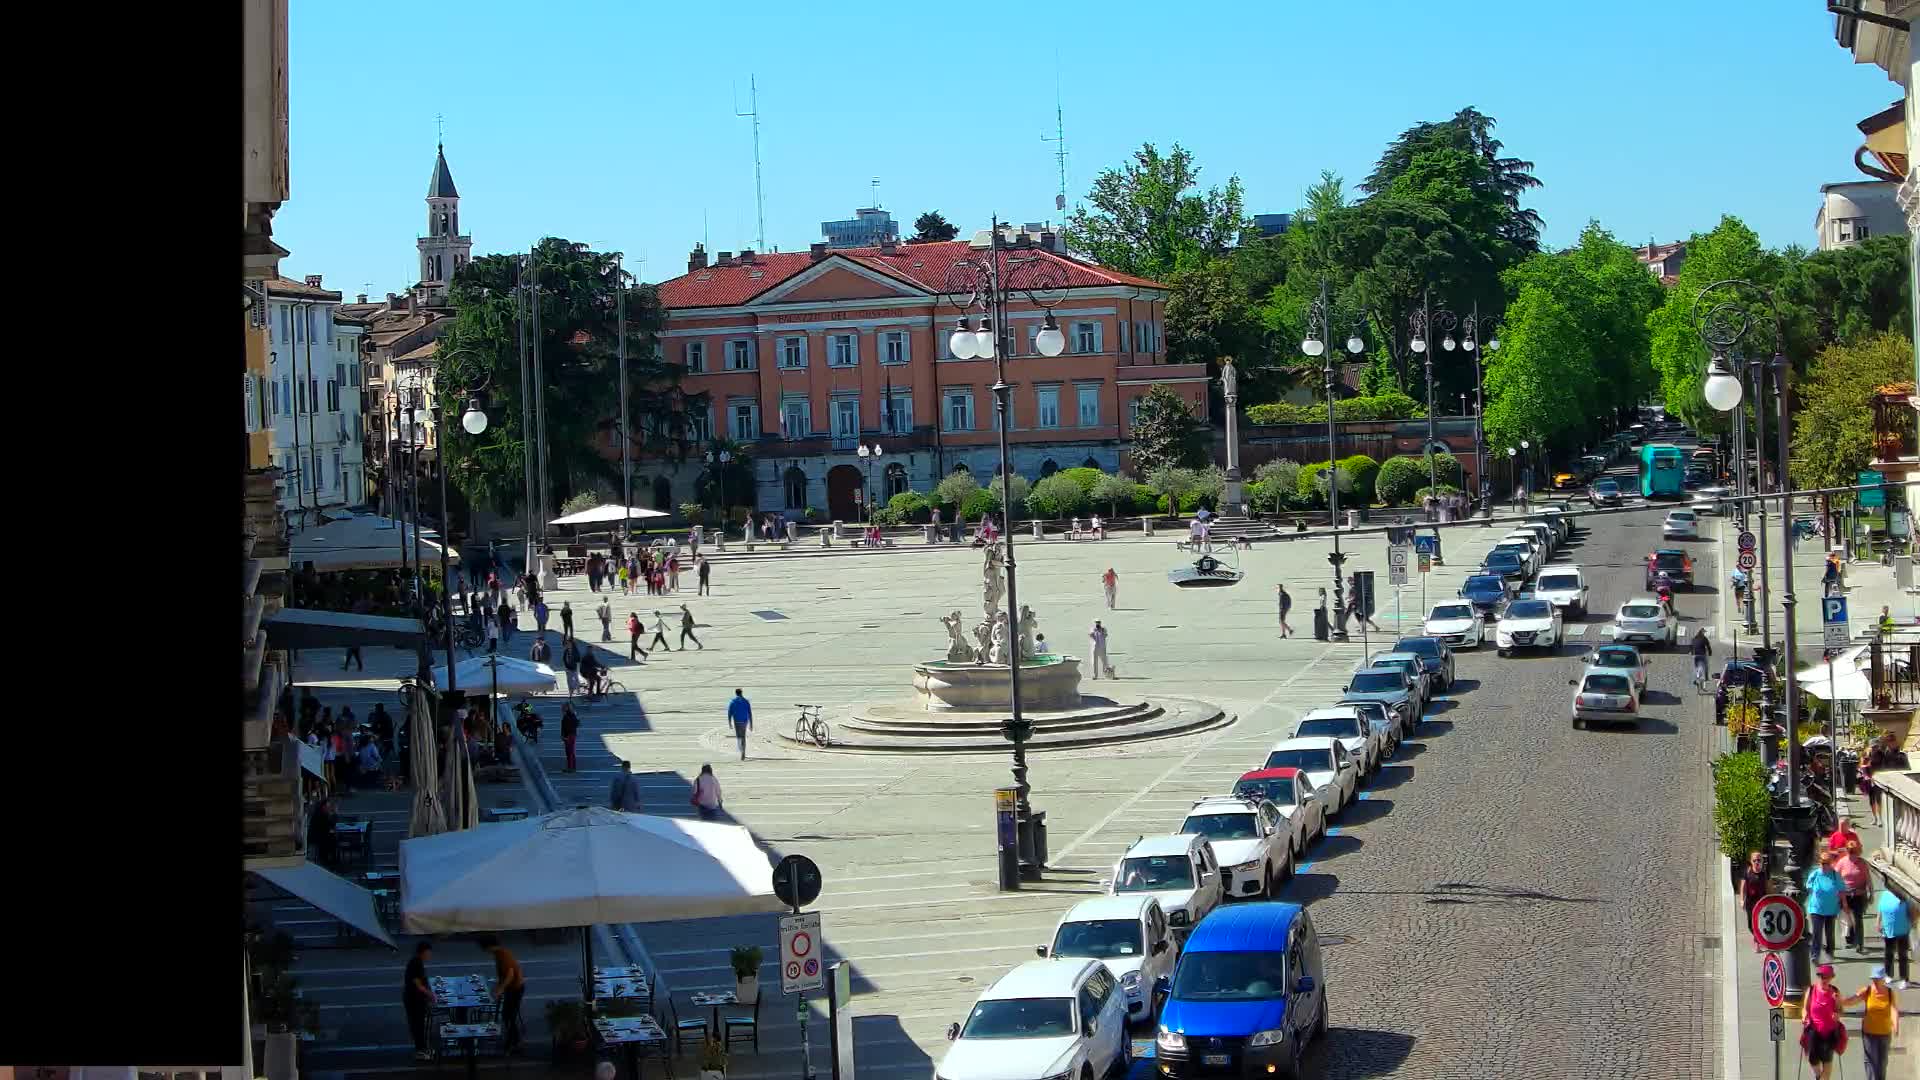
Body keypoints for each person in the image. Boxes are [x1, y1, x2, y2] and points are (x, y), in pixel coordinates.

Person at [1846, 966, 1901, 1080]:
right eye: (1874, 979)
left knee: (1882, 1062)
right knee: (1871, 1061)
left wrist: (1896, 1026)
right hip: (1869, 1032)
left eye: (1878, 979)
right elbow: (1852, 1001)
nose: (1875, 981)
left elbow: (1893, 1010)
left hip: (1885, 1033)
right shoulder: (1867, 991)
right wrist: (1840, 1002)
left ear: (1883, 979)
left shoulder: (1890, 993)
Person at [1801, 963, 1847, 1079]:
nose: (1824, 979)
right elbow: (1805, 1008)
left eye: (1827, 977)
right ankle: (1818, 1075)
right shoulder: (1812, 990)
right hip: (1814, 1030)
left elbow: (1840, 1010)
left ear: (1832, 978)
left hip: (1829, 1031)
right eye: (1822, 976)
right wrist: (1804, 1016)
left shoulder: (1835, 992)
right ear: (1819, 977)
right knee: (1812, 1057)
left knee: (1827, 1059)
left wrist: (1837, 1014)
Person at [483, 937, 527, 1055]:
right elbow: (503, 975)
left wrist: (500, 989)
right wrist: (498, 987)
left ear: (489, 946)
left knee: (508, 1016)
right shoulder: (499, 954)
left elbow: (510, 974)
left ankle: (515, 1042)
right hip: (512, 988)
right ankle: (514, 1041)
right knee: (507, 1015)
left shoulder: (502, 955)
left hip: (515, 988)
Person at [1805, 849, 1845, 964]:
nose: (1824, 865)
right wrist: (1811, 889)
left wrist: (1844, 904)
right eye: (1822, 863)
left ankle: (1830, 951)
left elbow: (1842, 890)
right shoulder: (1815, 874)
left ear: (1830, 863)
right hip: (1816, 908)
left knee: (1829, 932)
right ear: (1819, 863)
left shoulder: (1835, 874)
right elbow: (1808, 885)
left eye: (1827, 863)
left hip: (1831, 909)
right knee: (1817, 933)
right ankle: (1815, 955)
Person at [1838, 839, 1873, 952]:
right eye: (1850, 851)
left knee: (1858, 919)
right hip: (1846, 895)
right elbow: (1837, 879)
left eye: (1855, 851)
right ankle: (1850, 939)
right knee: (1847, 918)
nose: (1852, 854)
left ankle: (1860, 944)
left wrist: (1871, 893)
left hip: (1859, 895)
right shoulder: (1842, 862)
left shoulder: (1862, 863)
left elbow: (1868, 879)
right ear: (1847, 851)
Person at [1875, 884, 1913, 987]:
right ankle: (1888, 975)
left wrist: (1912, 924)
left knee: (1902, 955)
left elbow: (1912, 912)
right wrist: (1878, 922)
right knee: (1889, 954)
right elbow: (1880, 910)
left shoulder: (1905, 896)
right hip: (1888, 929)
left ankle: (1904, 979)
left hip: (1903, 930)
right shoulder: (1885, 894)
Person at [403, 941, 433, 1060]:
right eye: (429, 953)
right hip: (414, 1000)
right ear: (424, 952)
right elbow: (418, 984)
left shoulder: (417, 962)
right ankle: (420, 1051)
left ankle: (422, 1049)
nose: (430, 955)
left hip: (415, 999)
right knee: (418, 1026)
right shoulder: (416, 963)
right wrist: (431, 995)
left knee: (418, 1025)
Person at [1738, 851, 1769, 950]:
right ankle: (1757, 938)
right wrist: (1742, 900)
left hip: (1762, 902)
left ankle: (1757, 941)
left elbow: (1769, 887)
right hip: (1750, 903)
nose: (1756, 862)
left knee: (1760, 922)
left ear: (1762, 861)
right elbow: (1743, 887)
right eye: (1754, 860)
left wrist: (1772, 899)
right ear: (1751, 861)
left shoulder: (1765, 873)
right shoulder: (1747, 872)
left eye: (1759, 860)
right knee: (1751, 925)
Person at [309, 796, 338, 865]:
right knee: (333, 840)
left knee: (333, 839)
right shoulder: (321, 815)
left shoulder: (320, 813)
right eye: (327, 806)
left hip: (319, 836)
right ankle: (330, 862)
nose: (329, 808)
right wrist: (335, 813)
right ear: (323, 806)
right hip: (319, 838)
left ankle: (331, 861)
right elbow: (330, 825)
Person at [728, 689, 753, 761]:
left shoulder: (733, 702)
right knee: (743, 737)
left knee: (739, 737)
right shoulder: (746, 701)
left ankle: (741, 750)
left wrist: (730, 723)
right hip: (745, 721)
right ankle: (743, 752)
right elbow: (750, 713)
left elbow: (729, 713)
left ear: (736, 693)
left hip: (737, 721)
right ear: (741, 693)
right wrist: (751, 724)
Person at [559, 702, 580, 773]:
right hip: (571, 735)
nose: (562, 709)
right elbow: (577, 724)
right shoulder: (572, 715)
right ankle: (572, 767)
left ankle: (571, 768)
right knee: (570, 752)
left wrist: (565, 736)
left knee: (569, 752)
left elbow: (567, 727)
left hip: (569, 736)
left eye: (563, 707)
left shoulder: (568, 716)